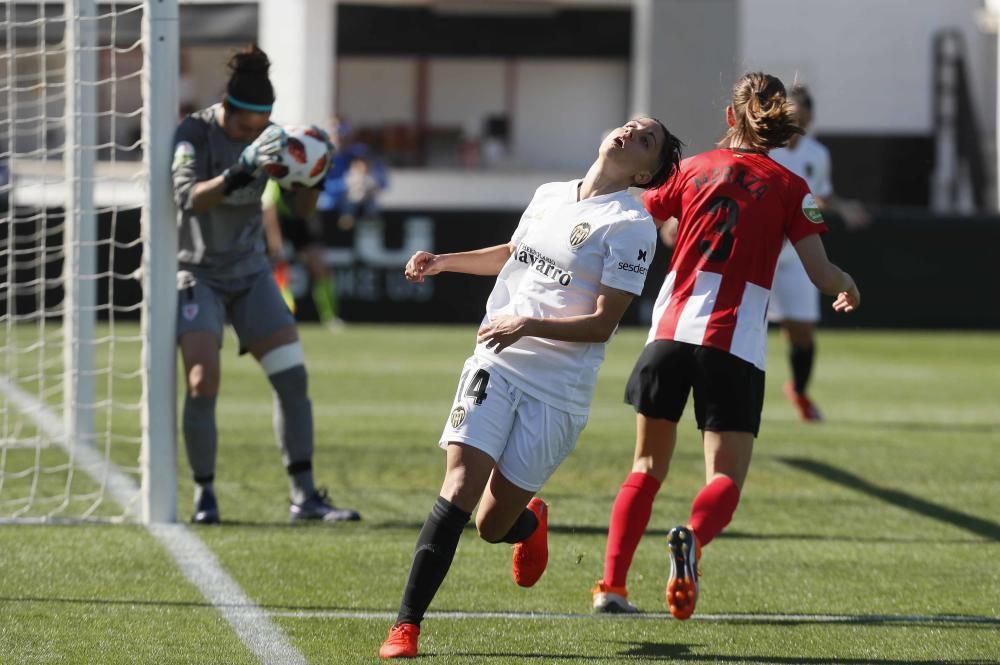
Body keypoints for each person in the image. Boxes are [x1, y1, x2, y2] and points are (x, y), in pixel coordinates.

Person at [378, 117, 683, 659]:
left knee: (492, 525)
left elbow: (602, 323)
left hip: (557, 392)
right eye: (631, 125)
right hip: (495, 361)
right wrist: (443, 262)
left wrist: (528, 323)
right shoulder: (549, 195)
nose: (631, 132)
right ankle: (406, 627)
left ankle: (529, 522)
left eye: (646, 138)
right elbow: (513, 254)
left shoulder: (630, 225)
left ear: (646, 170)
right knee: (460, 485)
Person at [590, 73, 860, 619]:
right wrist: (847, 286)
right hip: (734, 344)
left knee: (645, 466)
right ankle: (690, 537)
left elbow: (642, 219)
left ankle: (611, 588)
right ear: (777, 123)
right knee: (724, 481)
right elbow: (819, 273)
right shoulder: (792, 189)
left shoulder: (690, 170)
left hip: (667, 335)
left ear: (731, 118)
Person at [171, 44, 359, 524]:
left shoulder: (273, 137)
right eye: (242, 127)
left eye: (259, 127)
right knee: (201, 381)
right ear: (226, 109)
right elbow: (191, 200)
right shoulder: (194, 132)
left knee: (293, 378)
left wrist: (314, 175)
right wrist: (242, 168)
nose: (250, 135)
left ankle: (304, 497)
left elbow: (300, 211)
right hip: (197, 272)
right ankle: (205, 496)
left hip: (250, 273)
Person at [767, 84, 870, 421]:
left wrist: (843, 206)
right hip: (763, 248)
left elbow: (822, 196)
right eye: (790, 113)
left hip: (799, 252)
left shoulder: (817, 154)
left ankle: (798, 390)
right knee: (745, 324)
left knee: (803, 330)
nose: (795, 120)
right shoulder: (765, 147)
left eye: (801, 115)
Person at [261, 178, 342, 328]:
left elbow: (311, 209)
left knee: (320, 265)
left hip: (300, 222)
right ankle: (283, 316)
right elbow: (269, 214)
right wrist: (277, 247)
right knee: (279, 268)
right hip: (279, 223)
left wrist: (316, 240)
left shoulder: (309, 176)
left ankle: (330, 317)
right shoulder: (274, 181)